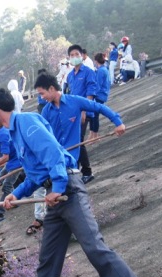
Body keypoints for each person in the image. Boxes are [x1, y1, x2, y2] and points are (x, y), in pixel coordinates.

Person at [0, 88, 162, 277]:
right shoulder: (14, 132)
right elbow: (36, 173)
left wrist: (58, 188)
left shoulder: (26, 122)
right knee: (48, 260)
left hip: (67, 189)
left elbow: (54, 155)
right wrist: (16, 194)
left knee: (96, 249)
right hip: (55, 198)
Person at [66, 44, 97, 184]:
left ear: (81, 55)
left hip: (85, 112)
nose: (74, 57)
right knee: (74, 140)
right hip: (74, 113)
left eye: (76, 54)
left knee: (78, 140)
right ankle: (77, 170)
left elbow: (90, 92)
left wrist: (84, 110)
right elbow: (71, 95)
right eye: (71, 55)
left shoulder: (88, 72)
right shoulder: (70, 75)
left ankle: (87, 171)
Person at [89, 53, 111, 140]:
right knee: (95, 115)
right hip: (103, 95)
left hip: (99, 96)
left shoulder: (101, 71)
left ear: (96, 61)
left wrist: (92, 95)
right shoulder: (104, 69)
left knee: (94, 116)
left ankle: (95, 136)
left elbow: (97, 85)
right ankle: (93, 136)